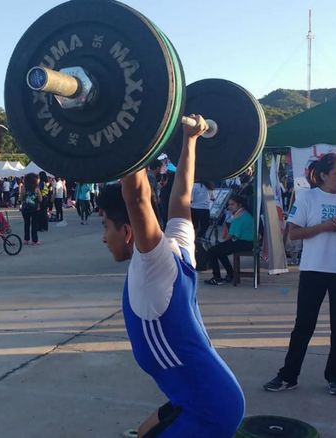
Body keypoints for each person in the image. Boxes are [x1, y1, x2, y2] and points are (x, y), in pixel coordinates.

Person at [97, 115, 245, 437]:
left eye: (105, 226)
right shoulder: (178, 246)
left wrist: (128, 123)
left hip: (209, 409)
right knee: (142, 432)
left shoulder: (154, 264)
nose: (102, 237)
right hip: (199, 394)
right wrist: (190, 140)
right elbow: (180, 200)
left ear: (127, 231)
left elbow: (137, 197)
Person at [263, 153, 336, 396]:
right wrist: (325, 226)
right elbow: (294, 234)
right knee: (304, 325)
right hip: (314, 269)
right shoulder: (307, 198)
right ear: (323, 175)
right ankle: (288, 375)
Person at [203, 195, 254, 286]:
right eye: (229, 204)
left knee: (212, 251)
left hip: (243, 243)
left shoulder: (240, 216)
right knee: (219, 251)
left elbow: (231, 236)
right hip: (247, 242)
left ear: (239, 205)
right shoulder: (244, 213)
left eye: (232, 204)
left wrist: (222, 244)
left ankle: (217, 278)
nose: (230, 207)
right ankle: (230, 274)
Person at [19, 172, 42, 245]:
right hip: (35, 209)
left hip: (25, 208)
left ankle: (26, 239)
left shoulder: (23, 187)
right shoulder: (36, 188)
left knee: (26, 224)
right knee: (34, 225)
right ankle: (34, 240)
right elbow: (40, 199)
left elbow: (21, 198)